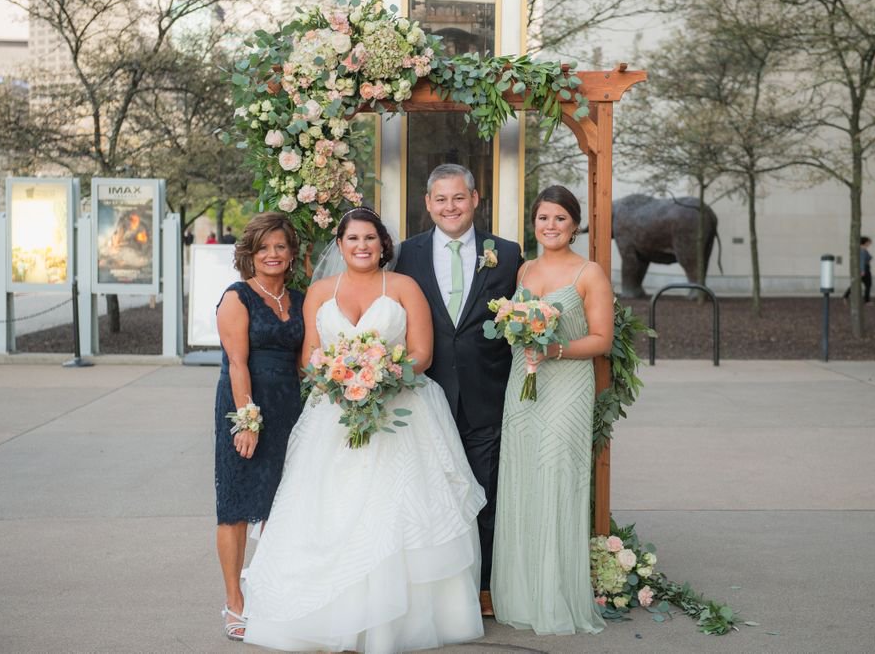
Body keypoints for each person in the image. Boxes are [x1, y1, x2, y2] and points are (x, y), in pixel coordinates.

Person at [241, 207, 486, 652]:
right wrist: (342, 377)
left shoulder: (404, 287)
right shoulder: (318, 291)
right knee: (329, 510)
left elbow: (422, 354)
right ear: (340, 244)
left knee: (395, 510)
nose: (361, 246)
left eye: (370, 239)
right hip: (333, 411)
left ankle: (394, 623)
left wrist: (380, 377)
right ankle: (329, 616)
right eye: (353, 239)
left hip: (401, 409)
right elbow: (309, 359)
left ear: (382, 244)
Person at [395, 163, 522, 616]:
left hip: (485, 392)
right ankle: (436, 591)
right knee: (431, 495)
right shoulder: (405, 254)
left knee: (482, 494)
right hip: (423, 395)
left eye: (459, 198)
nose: (451, 207)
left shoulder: (506, 254)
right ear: (428, 204)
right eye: (441, 199)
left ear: (475, 199)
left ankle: (482, 589)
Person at [491, 185, 613, 635]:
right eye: (543, 218)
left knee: (558, 478)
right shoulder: (524, 268)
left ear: (575, 224)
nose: (551, 226)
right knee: (524, 480)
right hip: (522, 385)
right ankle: (523, 594)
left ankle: (556, 595)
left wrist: (556, 349)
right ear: (534, 222)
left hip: (566, 387)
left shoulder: (589, 272)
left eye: (560, 218)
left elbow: (603, 339)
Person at [213, 212, 305, 641]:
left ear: (291, 254)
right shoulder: (238, 297)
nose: (273, 254)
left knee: (280, 507)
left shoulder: (301, 299)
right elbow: (236, 363)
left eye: (280, 247)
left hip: (291, 405)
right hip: (246, 402)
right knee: (236, 504)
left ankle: (268, 593)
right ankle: (235, 601)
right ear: (250, 254)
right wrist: (246, 420)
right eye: (264, 247)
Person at [842, 236, 873, 303]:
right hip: (864, 269)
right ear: (865, 242)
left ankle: (845, 296)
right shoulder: (862, 250)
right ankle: (867, 300)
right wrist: (862, 271)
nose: (869, 244)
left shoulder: (862, 250)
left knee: (856, 284)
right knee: (868, 285)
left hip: (864, 269)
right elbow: (861, 261)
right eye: (868, 242)